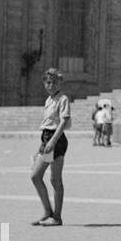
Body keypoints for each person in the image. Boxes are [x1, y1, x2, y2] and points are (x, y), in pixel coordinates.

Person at [31, 68, 71, 226]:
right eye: (48, 82)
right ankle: (48, 211)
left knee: (54, 179)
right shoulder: (49, 100)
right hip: (47, 138)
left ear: (59, 83)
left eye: (54, 82)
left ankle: (57, 217)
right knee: (36, 175)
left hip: (56, 139)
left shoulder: (63, 99)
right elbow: (47, 126)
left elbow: (63, 122)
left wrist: (52, 142)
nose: (51, 85)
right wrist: (41, 148)